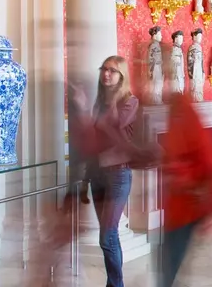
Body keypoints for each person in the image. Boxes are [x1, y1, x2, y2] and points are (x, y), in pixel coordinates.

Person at [79, 55, 139, 287]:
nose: (106, 74)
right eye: (103, 69)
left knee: (106, 235)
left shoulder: (129, 102)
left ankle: (117, 285)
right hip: (97, 176)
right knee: (110, 235)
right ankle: (114, 283)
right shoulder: (99, 103)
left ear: (122, 75)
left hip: (118, 175)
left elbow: (112, 125)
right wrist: (85, 181)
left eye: (112, 71)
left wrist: (109, 100)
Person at [157, 92, 212, 287]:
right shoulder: (182, 128)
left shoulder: (189, 129)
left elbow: (209, 168)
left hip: (187, 210)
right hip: (178, 210)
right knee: (170, 264)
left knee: (170, 265)